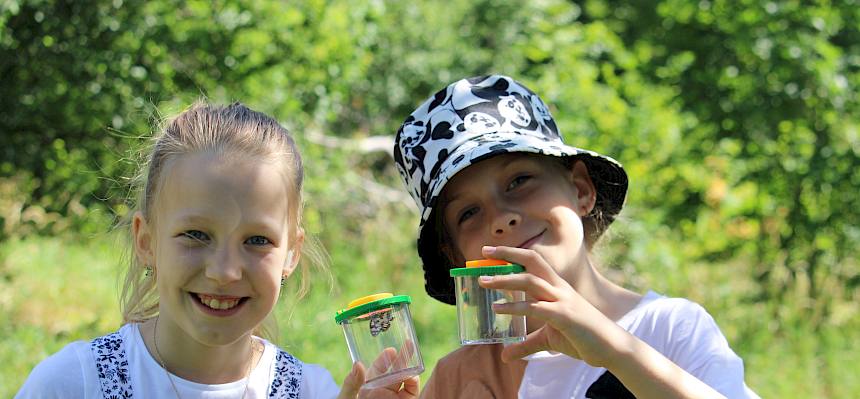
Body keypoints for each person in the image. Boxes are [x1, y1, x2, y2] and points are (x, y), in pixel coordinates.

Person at [392, 75, 760, 398]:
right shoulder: (458, 379)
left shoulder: (668, 330)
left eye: (519, 181)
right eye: (468, 213)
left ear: (581, 189)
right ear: (456, 257)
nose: (501, 219)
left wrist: (616, 350)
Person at [16, 102, 417, 399]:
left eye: (257, 240)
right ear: (146, 241)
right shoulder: (72, 384)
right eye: (195, 234)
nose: (224, 272)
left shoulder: (313, 391)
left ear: (292, 254)